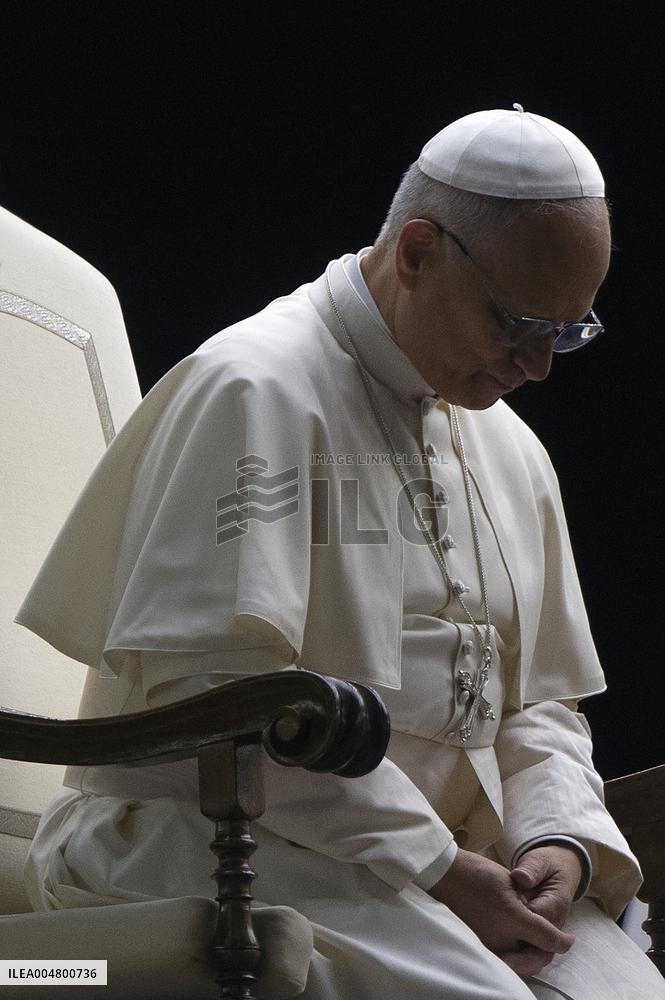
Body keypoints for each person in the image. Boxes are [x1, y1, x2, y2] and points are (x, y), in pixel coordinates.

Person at [19, 105, 665, 999]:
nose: (538, 366)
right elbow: (226, 708)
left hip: (428, 865)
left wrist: (552, 838)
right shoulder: (253, 390)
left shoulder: (511, 447)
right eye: (517, 323)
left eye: (565, 332)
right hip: (204, 840)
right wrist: (435, 866)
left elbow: (535, 705)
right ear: (416, 253)